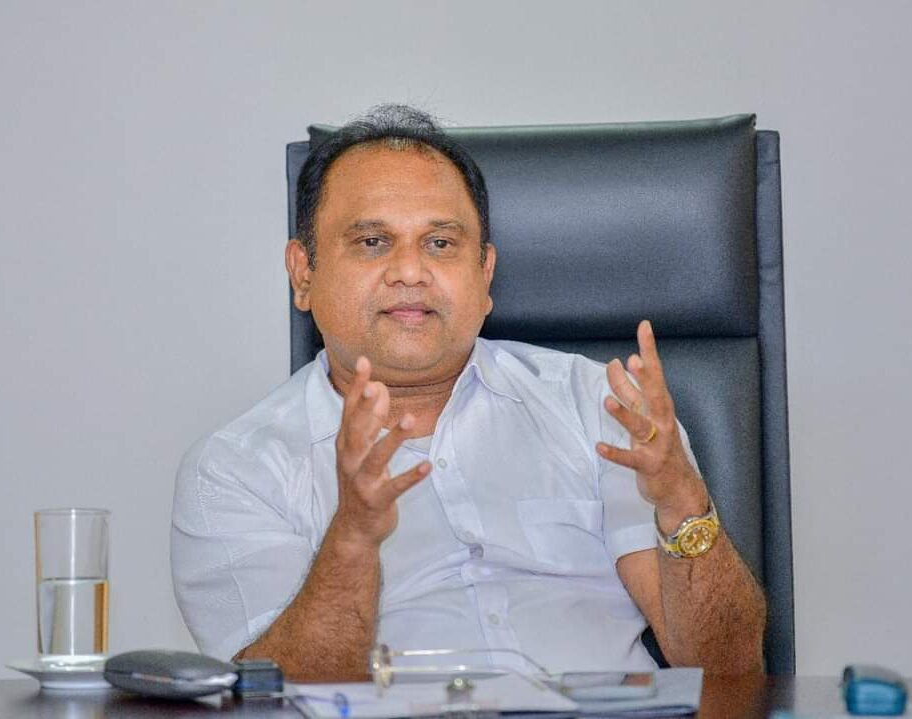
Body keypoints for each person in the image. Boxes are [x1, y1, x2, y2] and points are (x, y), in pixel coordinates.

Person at [171, 105, 766, 682]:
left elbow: (731, 670)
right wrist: (352, 537)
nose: (410, 271)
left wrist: (682, 502)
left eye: (440, 243)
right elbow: (270, 696)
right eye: (373, 241)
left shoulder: (601, 404)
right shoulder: (236, 469)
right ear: (303, 273)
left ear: (484, 274)